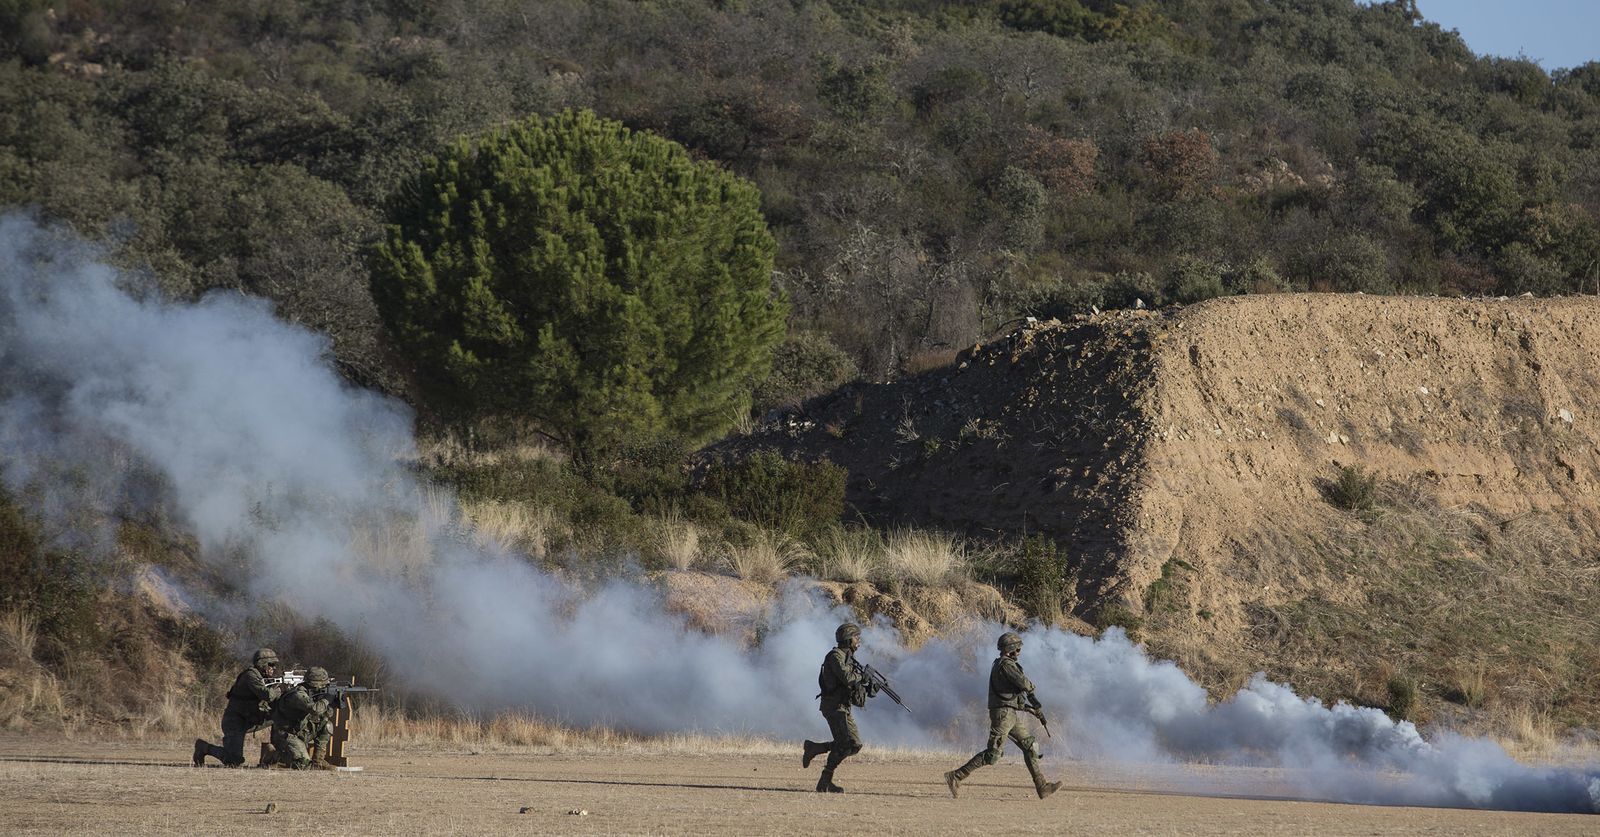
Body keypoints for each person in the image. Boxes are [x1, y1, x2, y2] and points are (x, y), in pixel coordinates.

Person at [944, 631, 1062, 800]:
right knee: (993, 755)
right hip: (1003, 715)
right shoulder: (1006, 665)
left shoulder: (1002, 664)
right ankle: (955, 776)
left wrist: (1031, 708)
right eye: (1018, 649)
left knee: (1030, 747)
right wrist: (1032, 696)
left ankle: (1042, 787)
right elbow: (1023, 683)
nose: (1019, 653)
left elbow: (1011, 693)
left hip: (1009, 713)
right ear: (1011, 649)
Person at [802, 623, 866, 793]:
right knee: (845, 744)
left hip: (842, 706)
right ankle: (824, 781)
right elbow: (847, 678)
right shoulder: (835, 656)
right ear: (847, 638)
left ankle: (815, 748)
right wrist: (862, 677)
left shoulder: (847, 657)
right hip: (833, 706)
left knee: (854, 745)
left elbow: (853, 682)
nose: (858, 641)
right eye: (856, 637)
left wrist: (867, 685)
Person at [194, 648, 281, 767]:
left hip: (250, 718)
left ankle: (273, 753)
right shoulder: (250, 675)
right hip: (235, 722)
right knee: (233, 760)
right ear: (262, 664)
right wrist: (279, 690)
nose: (274, 668)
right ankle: (204, 747)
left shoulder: (262, 677)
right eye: (271, 664)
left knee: (280, 716)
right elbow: (267, 695)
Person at [267, 666, 336, 770]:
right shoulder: (298, 695)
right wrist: (327, 699)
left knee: (327, 725)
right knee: (302, 765)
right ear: (316, 684)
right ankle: (273, 756)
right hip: (286, 734)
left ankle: (318, 762)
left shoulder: (313, 694)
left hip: (301, 732)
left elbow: (324, 715)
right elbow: (315, 709)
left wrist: (333, 703)